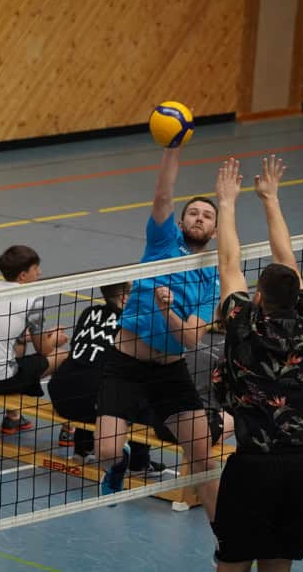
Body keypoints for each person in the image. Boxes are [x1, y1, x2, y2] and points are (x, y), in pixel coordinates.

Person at [94, 146, 220, 520]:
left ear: (214, 230)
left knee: (204, 457)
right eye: (193, 213)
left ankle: (225, 533)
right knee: (105, 451)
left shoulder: (212, 276)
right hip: (125, 364)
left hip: (170, 372)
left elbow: (191, 339)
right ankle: (118, 465)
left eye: (207, 216)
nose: (199, 218)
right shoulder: (163, 242)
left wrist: (166, 311)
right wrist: (172, 148)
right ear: (180, 222)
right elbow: (163, 194)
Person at [210, 156, 303, 572]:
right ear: (296, 297)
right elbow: (288, 260)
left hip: (252, 467)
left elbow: (228, 263)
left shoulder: (243, 322)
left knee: (233, 563)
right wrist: (271, 199)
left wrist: (227, 202)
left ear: (258, 296)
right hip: (300, 467)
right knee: (278, 565)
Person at [47, 282, 163, 474]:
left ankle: (83, 449)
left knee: (92, 376)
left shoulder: (89, 312)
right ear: (124, 298)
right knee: (149, 388)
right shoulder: (133, 323)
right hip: (96, 407)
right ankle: (138, 462)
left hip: (61, 398)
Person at [0, 245, 68, 436]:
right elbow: (45, 351)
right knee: (63, 356)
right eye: (35, 269)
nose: (39, 272)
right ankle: (69, 427)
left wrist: (42, 337)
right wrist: (55, 339)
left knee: (19, 346)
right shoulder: (33, 300)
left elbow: (9, 334)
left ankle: (12, 418)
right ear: (23, 276)